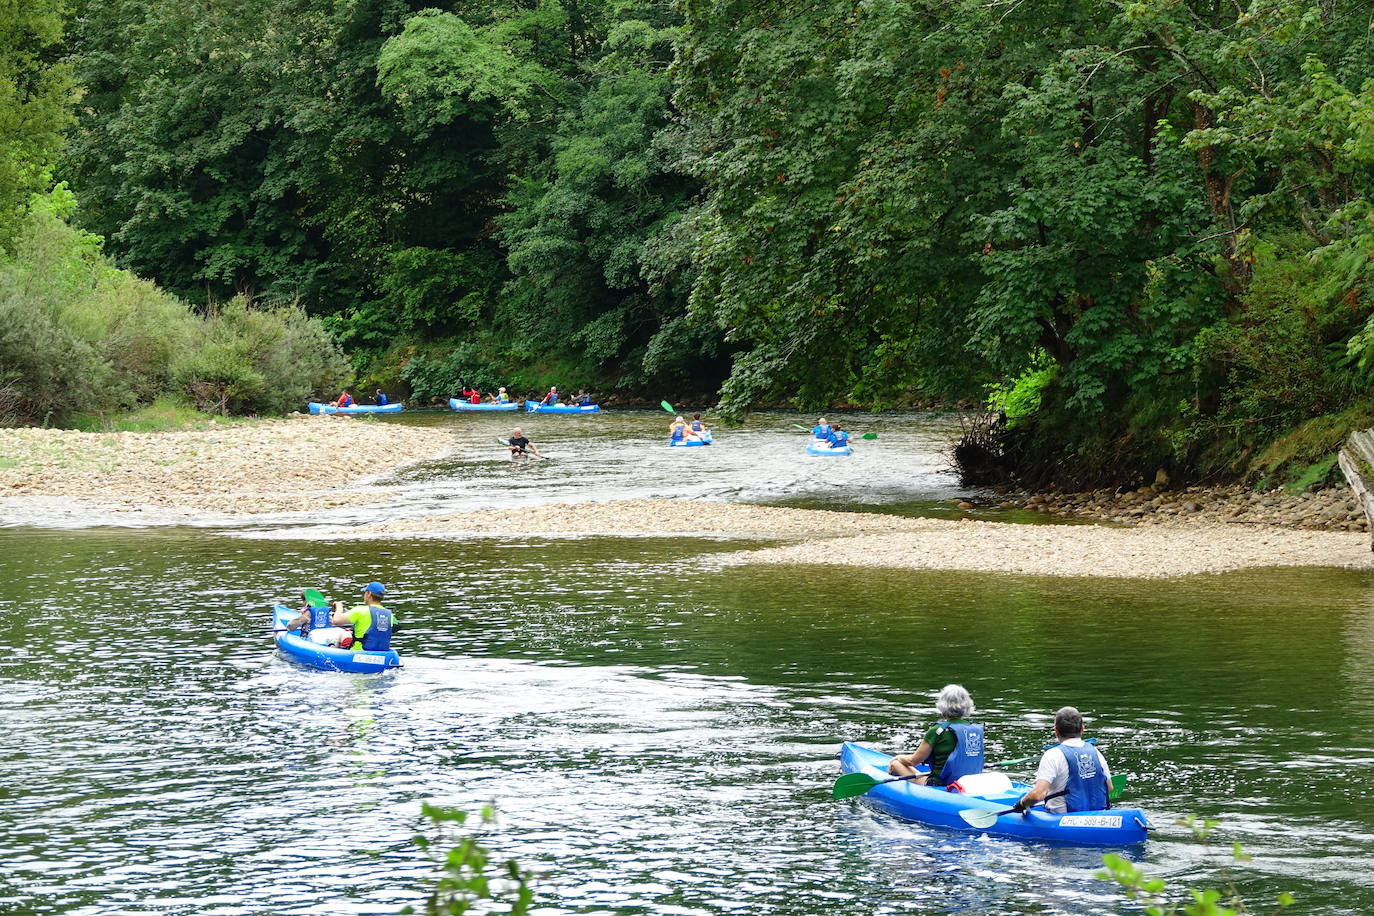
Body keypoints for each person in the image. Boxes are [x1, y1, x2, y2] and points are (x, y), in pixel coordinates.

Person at [1013, 706, 1112, 814]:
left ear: (1056, 731)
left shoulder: (1052, 755)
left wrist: (1021, 804)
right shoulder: (1095, 751)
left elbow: (1037, 795)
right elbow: (1109, 788)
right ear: (1082, 729)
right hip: (1098, 816)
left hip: (1063, 820)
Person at [886, 684, 984, 787]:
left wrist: (898, 757)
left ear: (942, 706)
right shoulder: (975, 730)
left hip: (940, 784)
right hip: (969, 783)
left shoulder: (938, 731)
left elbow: (913, 761)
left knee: (896, 764)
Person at [328, 581, 395, 652]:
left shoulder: (361, 610)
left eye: (365, 593)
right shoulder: (389, 615)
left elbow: (336, 621)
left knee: (335, 641)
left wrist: (339, 607)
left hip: (359, 653)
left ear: (369, 594)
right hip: (383, 655)